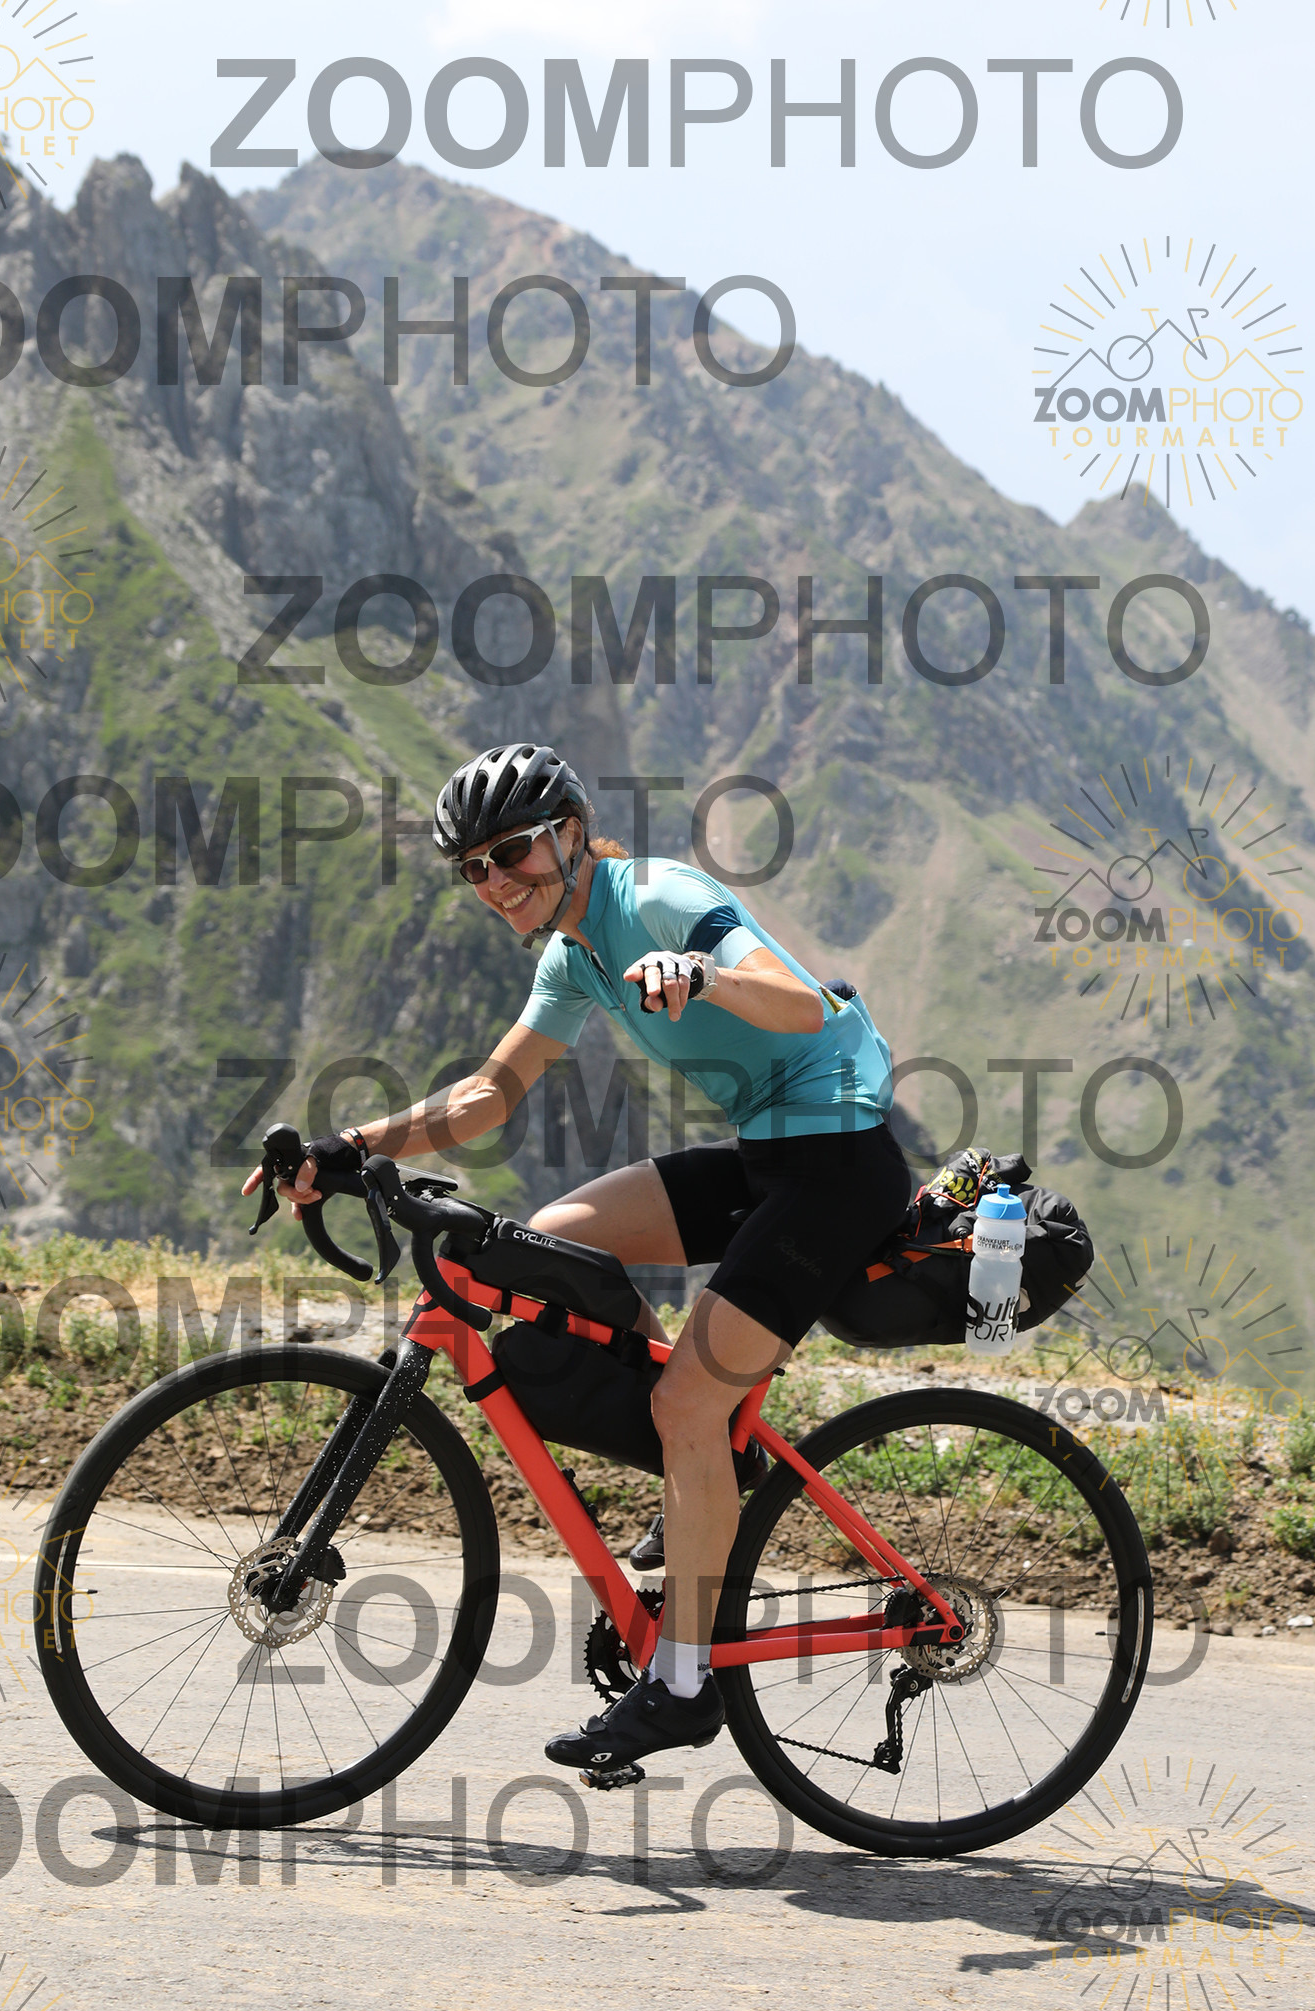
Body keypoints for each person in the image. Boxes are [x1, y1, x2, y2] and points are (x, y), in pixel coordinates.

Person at [251, 742, 911, 1771]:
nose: (495, 881)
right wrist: (351, 1147)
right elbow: (489, 1095)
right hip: (769, 1157)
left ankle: (683, 1683)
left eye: (512, 852)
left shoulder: (657, 898)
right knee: (552, 1241)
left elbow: (800, 1005)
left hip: (836, 1169)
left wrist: (701, 973)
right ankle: (705, 1464)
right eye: (472, 867)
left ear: (569, 832)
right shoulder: (572, 954)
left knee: (686, 1403)